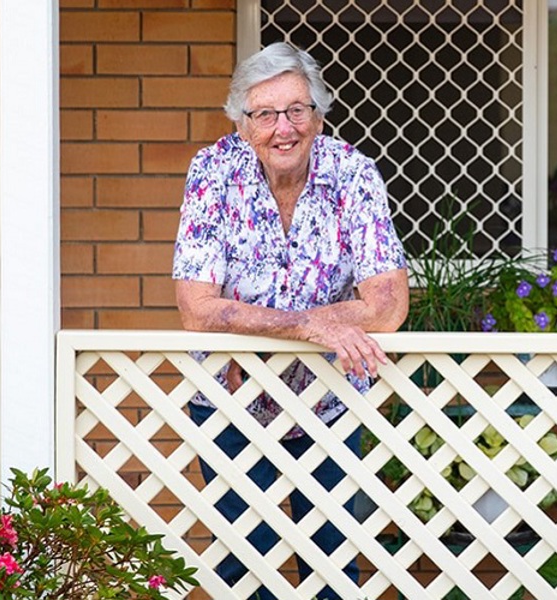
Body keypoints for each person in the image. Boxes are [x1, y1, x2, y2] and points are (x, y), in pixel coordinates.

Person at [172, 42, 409, 598]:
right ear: (241, 123)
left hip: (329, 402)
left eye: (297, 110)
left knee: (331, 571)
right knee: (243, 570)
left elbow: (388, 305)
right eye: (265, 114)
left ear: (318, 116)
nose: (284, 128)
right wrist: (307, 326)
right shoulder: (212, 172)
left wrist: (279, 324)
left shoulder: (353, 173)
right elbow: (196, 308)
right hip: (230, 402)